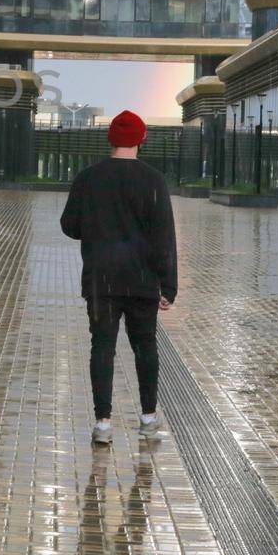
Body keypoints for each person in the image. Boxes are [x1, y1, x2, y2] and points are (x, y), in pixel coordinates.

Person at [59, 109, 178, 446]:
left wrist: (97, 229)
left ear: (110, 139)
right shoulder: (153, 180)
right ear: (141, 139)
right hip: (143, 280)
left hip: (101, 279)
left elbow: (69, 225)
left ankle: (103, 423)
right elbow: (164, 235)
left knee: (102, 346)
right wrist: (168, 285)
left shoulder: (89, 177)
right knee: (145, 347)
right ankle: (148, 418)